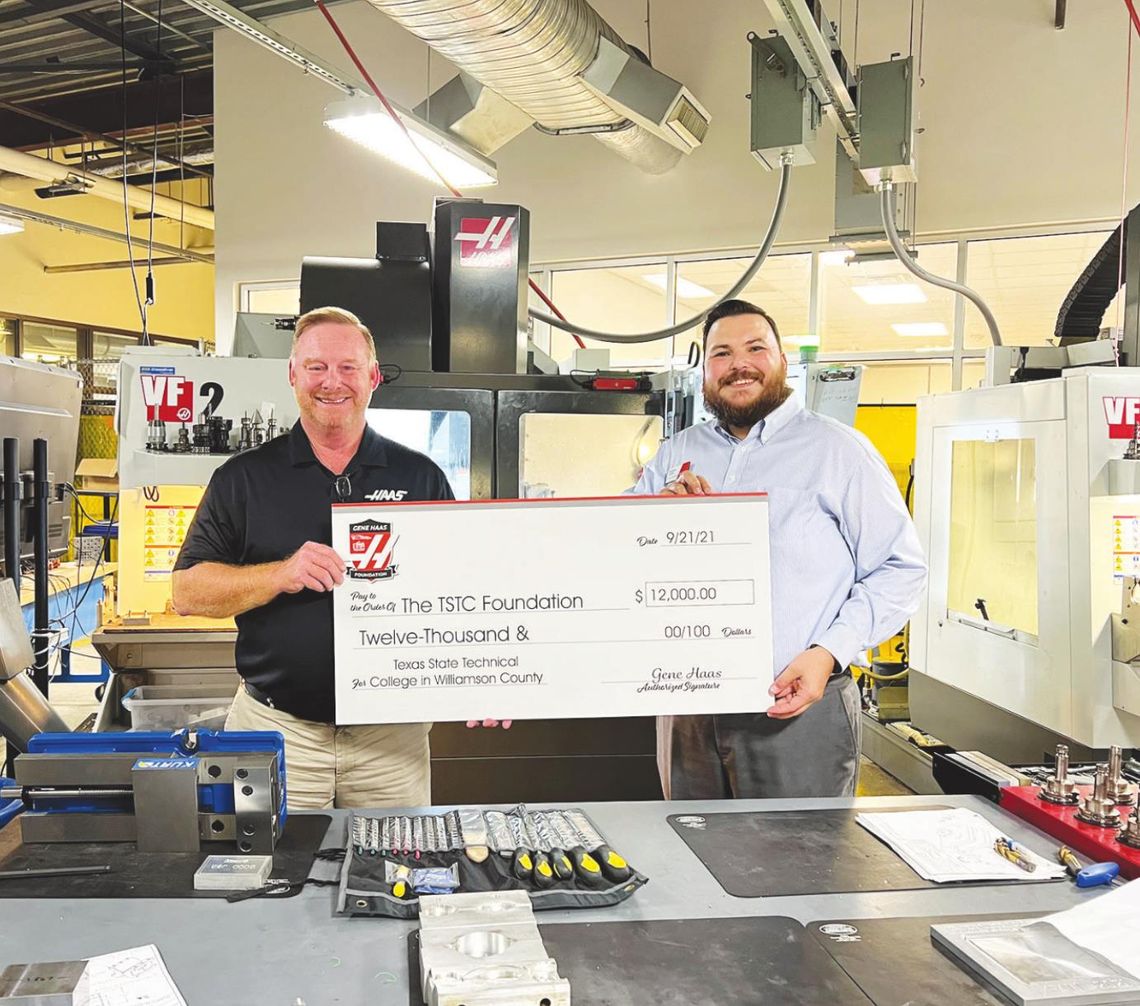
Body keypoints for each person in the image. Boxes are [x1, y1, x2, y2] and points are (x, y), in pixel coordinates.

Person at [631, 299, 927, 799]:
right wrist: (653, 522)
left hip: (795, 704)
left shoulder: (839, 451)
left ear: (783, 361)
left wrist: (828, 653)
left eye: (755, 348)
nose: (738, 364)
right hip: (688, 708)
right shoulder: (677, 453)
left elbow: (899, 568)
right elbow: (616, 553)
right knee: (691, 857)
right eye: (722, 353)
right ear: (705, 371)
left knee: (800, 866)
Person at [171, 306, 455, 810]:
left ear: (372, 377)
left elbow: (460, 593)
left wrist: (486, 682)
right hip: (279, 734)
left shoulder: (421, 479)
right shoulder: (244, 479)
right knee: (270, 879)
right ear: (292, 375)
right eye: (317, 367)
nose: (332, 382)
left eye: (347, 367)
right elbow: (188, 593)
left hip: (391, 743)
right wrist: (280, 574)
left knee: (396, 875)